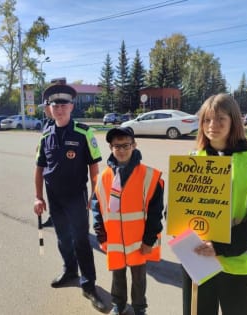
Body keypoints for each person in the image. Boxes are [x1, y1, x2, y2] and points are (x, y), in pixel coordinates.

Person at [182, 93, 247, 315]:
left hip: (237, 263)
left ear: (234, 121)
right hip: (197, 258)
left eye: (221, 118)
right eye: (207, 119)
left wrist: (220, 247)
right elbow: (176, 210)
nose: (213, 125)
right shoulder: (191, 161)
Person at [33, 82, 106, 312]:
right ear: (49, 108)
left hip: (77, 197)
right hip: (54, 198)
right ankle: (70, 270)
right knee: (63, 238)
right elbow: (38, 168)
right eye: (55, 104)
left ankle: (89, 284)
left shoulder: (85, 132)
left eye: (64, 103)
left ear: (72, 106)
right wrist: (38, 197)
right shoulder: (45, 135)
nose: (60, 108)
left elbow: (95, 168)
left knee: (81, 240)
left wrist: (94, 196)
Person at [92, 127, 164, 315]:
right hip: (115, 241)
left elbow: (156, 213)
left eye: (126, 145)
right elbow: (97, 208)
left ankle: (139, 308)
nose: (122, 150)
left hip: (139, 241)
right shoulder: (103, 177)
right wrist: (101, 235)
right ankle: (119, 304)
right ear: (110, 147)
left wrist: (149, 240)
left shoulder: (149, 175)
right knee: (117, 274)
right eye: (117, 146)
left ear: (134, 145)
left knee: (139, 278)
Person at [37, 100, 54, 227]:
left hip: (57, 166)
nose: (44, 110)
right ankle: (53, 217)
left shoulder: (60, 122)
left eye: (45, 107)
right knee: (52, 195)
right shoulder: (48, 123)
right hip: (47, 165)